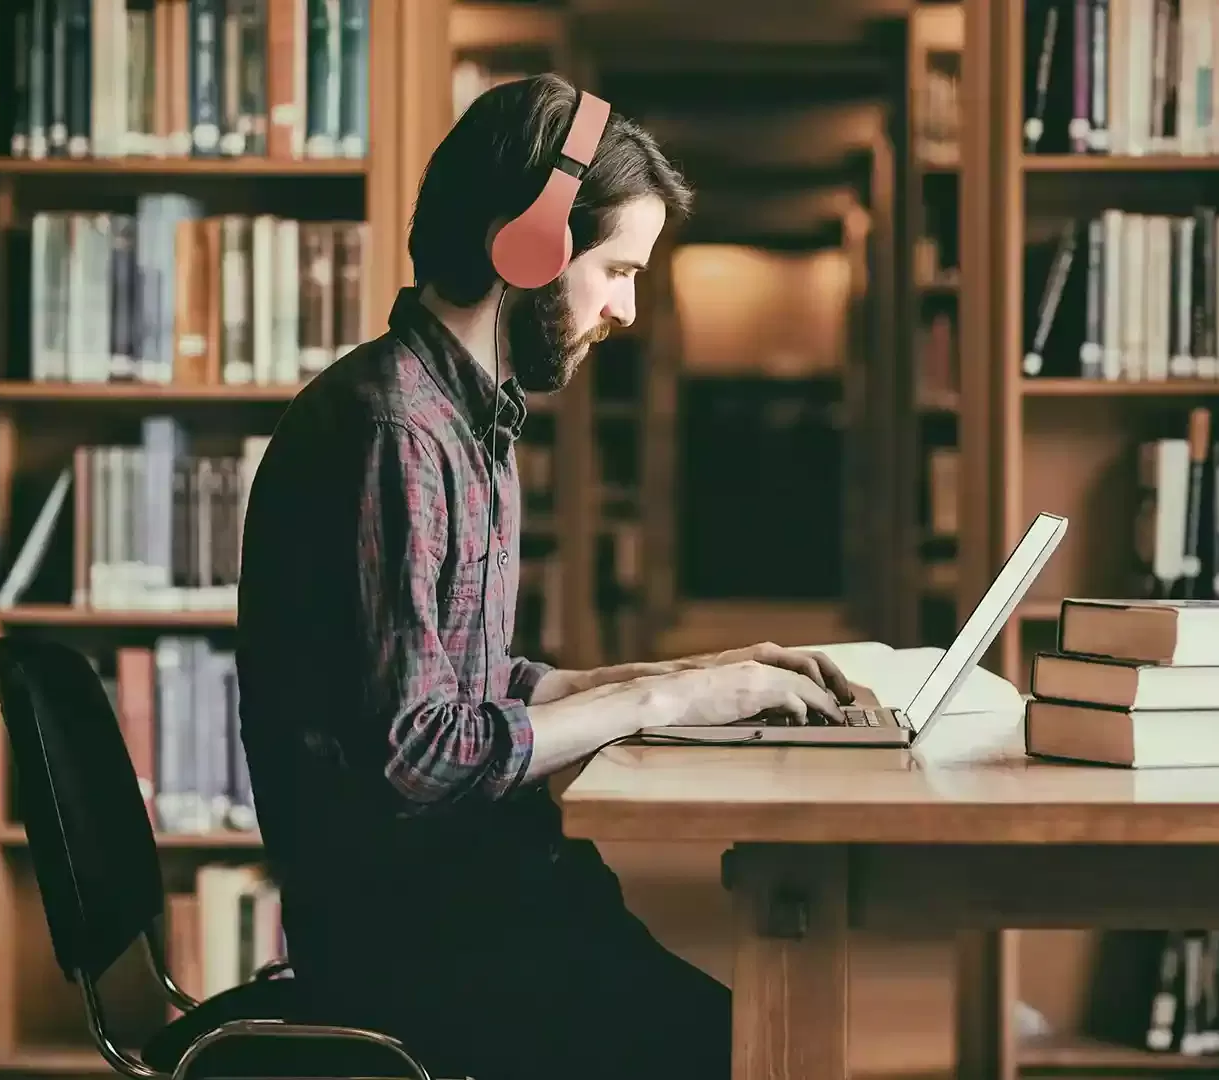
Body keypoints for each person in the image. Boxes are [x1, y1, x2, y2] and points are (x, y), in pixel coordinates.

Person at [234, 74, 856, 1080]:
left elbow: (481, 685)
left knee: (751, 1036)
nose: (627, 309)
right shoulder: (395, 428)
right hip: (417, 934)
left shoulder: (467, 416)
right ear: (528, 246)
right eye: (616, 269)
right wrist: (667, 694)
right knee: (752, 1050)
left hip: (484, 889)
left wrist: (713, 676)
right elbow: (418, 755)